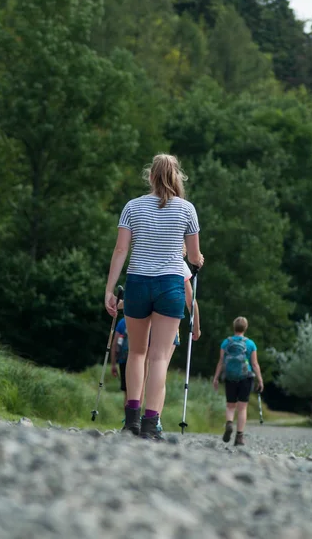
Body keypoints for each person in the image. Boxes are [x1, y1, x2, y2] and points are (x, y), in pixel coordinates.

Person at [105, 154, 204, 440]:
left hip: (137, 282)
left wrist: (109, 290)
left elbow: (121, 250)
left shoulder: (132, 207)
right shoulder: (187, 210)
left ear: (150, 177)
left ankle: (131, 420)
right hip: (171, 285)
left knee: (136, 353)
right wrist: (199, 260)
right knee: (159, 357)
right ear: (177, 178)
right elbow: (194, 257)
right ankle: (151, 424)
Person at [143, 256, 201, 433]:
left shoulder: (153, 259)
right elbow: (190, 300)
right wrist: (196, 328)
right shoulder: (177, 264)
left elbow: (190, 300)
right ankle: (152, 417)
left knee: (149, 370)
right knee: (156, 371)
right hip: (164, 328)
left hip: (151, 326)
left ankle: (146, 416)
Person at [213, 317, 263, 446]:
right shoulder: (250, 344)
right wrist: (260, 380)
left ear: (234, 327)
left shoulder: (226, 343)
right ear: (245, 328)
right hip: (246, 377)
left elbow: (221, 362)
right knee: (242, 408)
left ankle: (229, 423)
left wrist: (216, 378)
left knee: (230, 406)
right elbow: (255, 364)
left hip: (230, 377)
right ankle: (239, 437)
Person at [111, 316, 129, 406]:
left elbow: (115, 344)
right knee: (139, 391)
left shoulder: (123, 322)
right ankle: (137, 418)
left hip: (124, 361)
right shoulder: (144, 317)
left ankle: (128, 418)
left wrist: (113, 364)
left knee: (127, 393)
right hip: (141, 361)